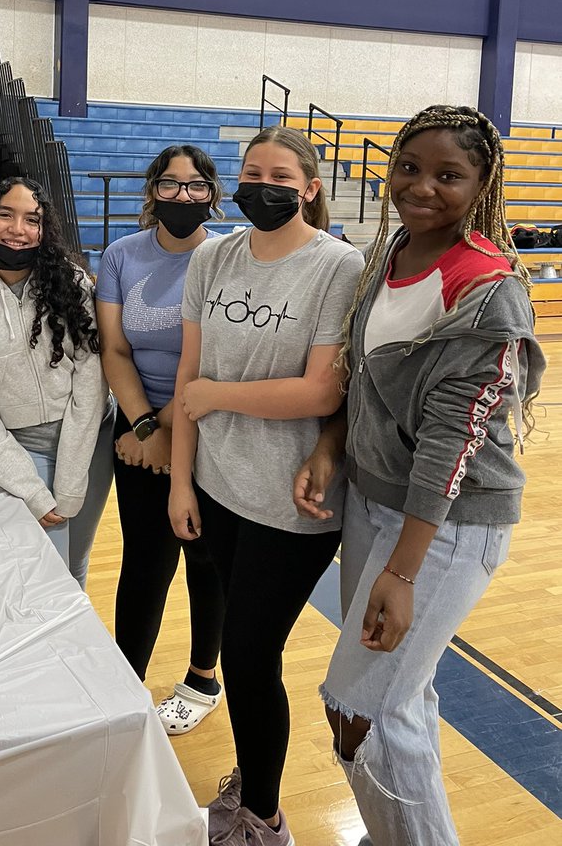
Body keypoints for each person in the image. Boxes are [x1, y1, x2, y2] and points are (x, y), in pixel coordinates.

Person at [294, 105, 545, 846]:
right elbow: (363, 376)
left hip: (447, 523)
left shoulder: (487, 288)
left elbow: (450, 442)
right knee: (399, 700)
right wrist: (331, 447)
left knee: (359, 712)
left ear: (481, 186)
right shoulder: (392, 252)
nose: (422, 186)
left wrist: (402, 572)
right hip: (372, 504)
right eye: (409, 167)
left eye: (448, 175)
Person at [168, 126, 364, 846]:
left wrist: (218, 396)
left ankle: (264, 820)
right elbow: (188, 375)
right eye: (252, 173)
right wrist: (180, 483)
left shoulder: (338, 265)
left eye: (281, 176)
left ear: (309, 188)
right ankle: (251, 787)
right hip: (217, 486)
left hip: (291, 503)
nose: (264, 185)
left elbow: (321, 391)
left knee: (250, 655)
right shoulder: (213, 257)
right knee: (242, 646)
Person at [96, 145, 227, 734]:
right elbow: (114, 349)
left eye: (196, 185)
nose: (183, 196)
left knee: (205, 558)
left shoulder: (225, 257)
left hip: (207, 426)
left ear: (212, 194)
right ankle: (126, 685)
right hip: (137, 428)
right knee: (144, 562)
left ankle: (202, 680)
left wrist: (169, 428)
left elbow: (218, 361)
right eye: (170, 184)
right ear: (152, 191)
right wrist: (145, 427)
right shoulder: (121, 255)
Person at [0, 177, 110, 587]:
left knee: (75, 561)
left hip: (90, 440)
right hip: (24, 448)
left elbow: (91, 379)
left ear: (43, 229)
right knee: (45, 572)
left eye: (32, 219)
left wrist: (70, 481)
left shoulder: (72, 283)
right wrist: (30, 488)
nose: (18, 229)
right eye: (6, 215)